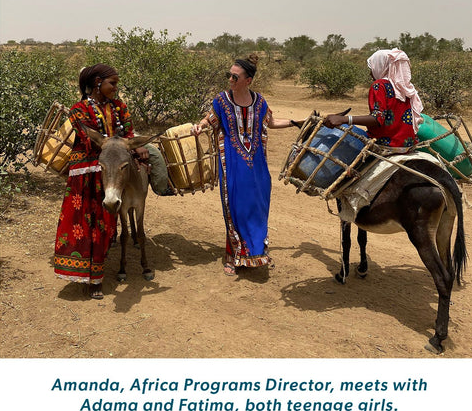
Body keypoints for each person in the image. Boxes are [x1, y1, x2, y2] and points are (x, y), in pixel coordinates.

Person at [52, 63, 166, 299]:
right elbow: (91, 138)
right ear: (97, 83)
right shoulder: (79, 110)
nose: (115, 87)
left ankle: (99, 270)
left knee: (105, 225)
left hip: (113, 169)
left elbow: (128, 132)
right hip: (86, 172)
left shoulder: (119, 107)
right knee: (85, 225)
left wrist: (138, 146)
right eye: (111, 83)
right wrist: (126, 144)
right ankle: (90, 279)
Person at [191, 54, 294, 276]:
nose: (230, 80)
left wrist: (296, 122)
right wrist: (199, 126)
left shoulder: (260, 101)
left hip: (257, 165)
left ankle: (257, 253)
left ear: (248, 80)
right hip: (232, 163)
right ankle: (233, 256)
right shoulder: (221, 101)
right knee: (235, 208)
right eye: (229, 75)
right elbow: (209, 119)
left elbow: (272, 122)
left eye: (235, 77)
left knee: (257, 207)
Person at [321, 48, 421, 150]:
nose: (370, 74)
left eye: (372, 69)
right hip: (407, 144)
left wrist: (344, 119)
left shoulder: (379, 85)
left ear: (381, 66)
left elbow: (377, 118)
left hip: (386, 144)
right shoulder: (405, 87)